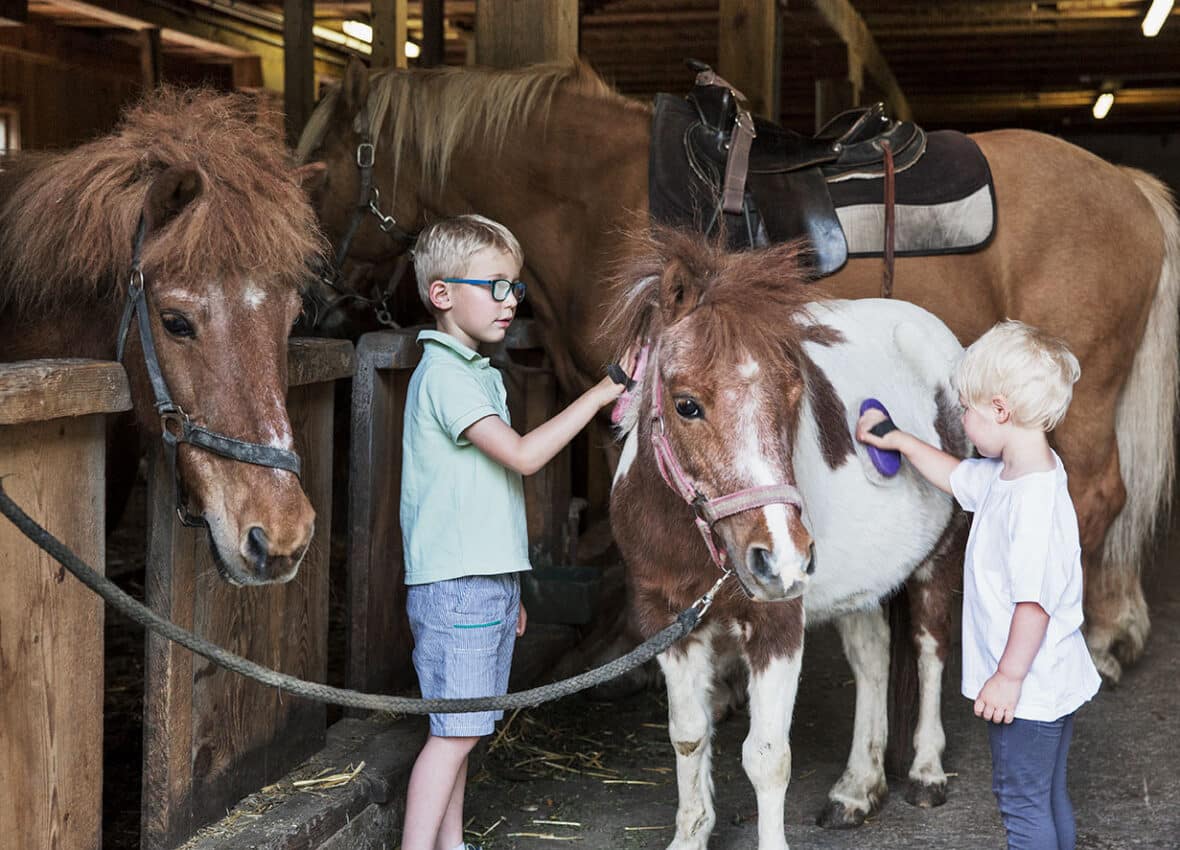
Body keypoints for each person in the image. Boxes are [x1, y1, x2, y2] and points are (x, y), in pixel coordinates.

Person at [399, 214, 630, 850]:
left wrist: (512, 587)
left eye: (515, 289)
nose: (510, 301)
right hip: (456, 587)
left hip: (482, 582)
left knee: (462, 731)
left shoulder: (477, 374)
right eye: (494, 285)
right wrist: (598, 395)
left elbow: (486, 501)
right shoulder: (445, 377)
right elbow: (523, 458)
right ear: (442, 294)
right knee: (454, 736)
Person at [856, 319, 1101, 850]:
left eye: (967, 407)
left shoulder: (1031, 505)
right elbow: (956, 476)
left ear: (1000, 410)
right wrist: (898, 440)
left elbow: (1033, 606)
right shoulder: (1019, 473)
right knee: (1047, 795)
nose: (962, 420)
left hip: (1028, 691)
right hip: (1051, 683)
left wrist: (1007, 679)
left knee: (1021, 804)